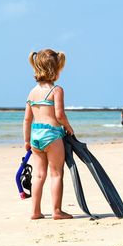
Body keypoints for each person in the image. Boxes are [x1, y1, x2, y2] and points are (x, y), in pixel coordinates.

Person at [23, 49, 74, 220]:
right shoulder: (56, 90)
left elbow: (27, 119)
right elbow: (59, 115)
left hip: (35, 135)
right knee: (56, 173)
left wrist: (26, 140)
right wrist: (69, 128)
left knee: (38, 174)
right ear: (56, 69)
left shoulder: (31, 92)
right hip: (52, 135)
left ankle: (35, 211)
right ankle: (57, 211)